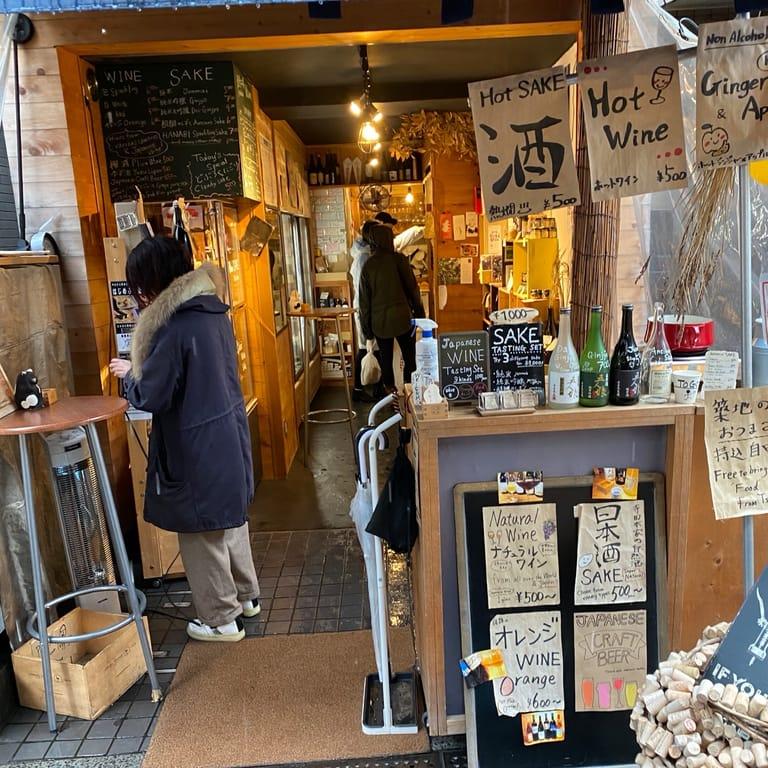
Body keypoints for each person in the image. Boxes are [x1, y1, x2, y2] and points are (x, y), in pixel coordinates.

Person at [109, 236, 259, 644]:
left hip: (196, 445)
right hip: (226, 434)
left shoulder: (175, 326)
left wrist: (129, 378)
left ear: (155, 282)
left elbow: (154, 394)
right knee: (229, 520)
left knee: (199, 530)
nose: (138, 296)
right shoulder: (211, 311)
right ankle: (246, 598)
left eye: (140, 286)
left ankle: (221, 618)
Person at [359, 222, 425, 392]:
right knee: (410, 359)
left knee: (386, 360)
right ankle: (409, 395)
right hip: (403, 318)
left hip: (380, 322)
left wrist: (367, 331)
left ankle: (391, 396)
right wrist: (421, 315)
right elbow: (413, 290)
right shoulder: (400, 260)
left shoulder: (368, 266)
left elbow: (364, 303)